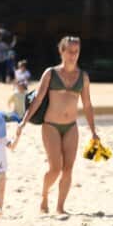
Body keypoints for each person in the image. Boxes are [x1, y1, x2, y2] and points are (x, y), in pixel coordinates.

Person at [16, 36, 99, 215]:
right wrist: (23, 121)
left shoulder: (83, 77)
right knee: (55, 168)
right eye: (70, 51)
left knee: (68, 169)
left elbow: (87, 105)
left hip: (71, 127)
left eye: (76, 52)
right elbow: (38, 98)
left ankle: (60, 207)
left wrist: (93, 131)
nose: (73, 55)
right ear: (61, 52)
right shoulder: (51, 73)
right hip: (51, 125)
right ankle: (44, 196)